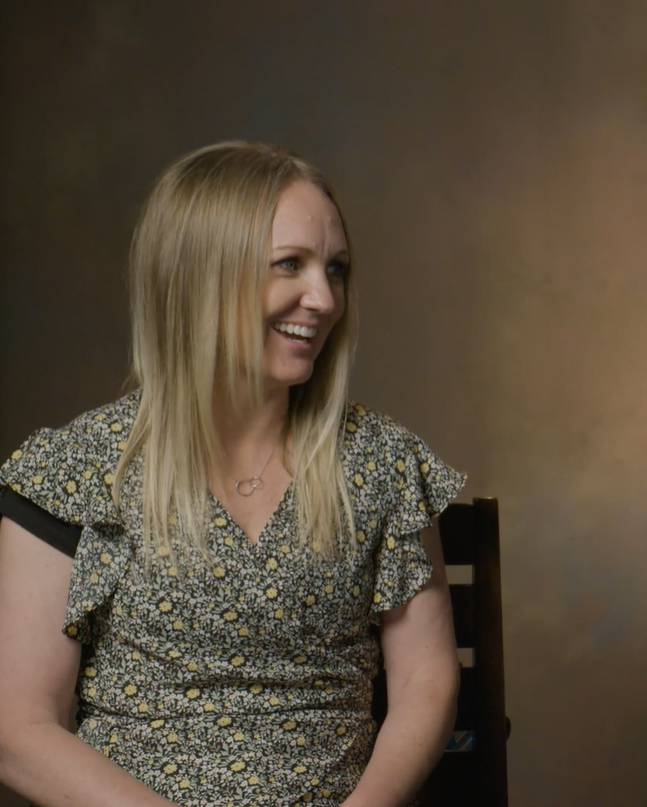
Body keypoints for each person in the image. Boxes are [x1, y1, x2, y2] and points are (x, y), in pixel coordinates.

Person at [0, 142, 464, 806]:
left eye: (336, 269)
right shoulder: (74, 467)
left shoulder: (381, 460)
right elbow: (16, 728)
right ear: (199, 275)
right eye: (289, 265)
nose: (323, 297)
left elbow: (426, 682)